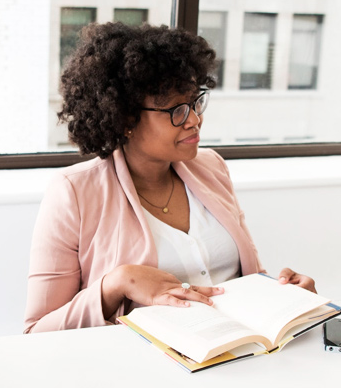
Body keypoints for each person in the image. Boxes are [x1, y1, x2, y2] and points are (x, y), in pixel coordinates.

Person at [24, 22, 316, 333]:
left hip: (237, 355)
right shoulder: (74, 193)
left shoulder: (212, 168)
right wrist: (115, 285)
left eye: (195, 102)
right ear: (125, 119)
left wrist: (285, 294)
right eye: (176, 110)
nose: (194, 120)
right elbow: (38, 330)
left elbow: (247, 281)